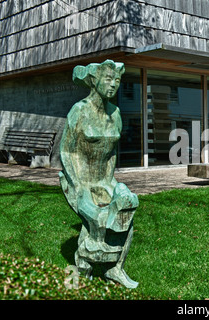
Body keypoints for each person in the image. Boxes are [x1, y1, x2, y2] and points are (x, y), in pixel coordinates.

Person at [59, 60, 139, 289]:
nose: (113, 85)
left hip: (104, 179)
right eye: (108, 79)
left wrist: (112, 183)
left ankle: (115, 269)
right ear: (94, 80)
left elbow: (111, 152)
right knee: (96, 219)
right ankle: (82, 269)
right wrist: (78, 185)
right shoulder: (79, 110)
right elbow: (65, 150)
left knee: (126, 213)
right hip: (78, 180)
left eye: (117, 80)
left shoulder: (116, 113)